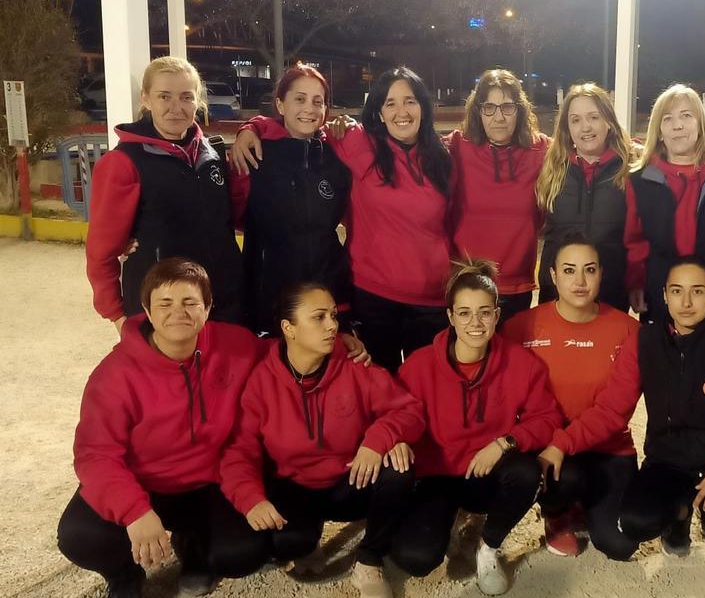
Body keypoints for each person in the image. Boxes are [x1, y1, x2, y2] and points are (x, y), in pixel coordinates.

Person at [550, 256, 705, 598]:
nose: (686, 302)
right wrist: (561, 444)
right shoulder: (644, 342)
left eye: (697, 291)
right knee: (635, 523)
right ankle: (680, 516)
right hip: (670, 458)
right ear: (665, 295)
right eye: (677, 291)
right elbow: (611, 410)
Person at [56, 259, 264, 598]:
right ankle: (123, 575)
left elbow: (287, 354)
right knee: (80, 536)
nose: (178, 313)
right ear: (148, 311)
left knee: (245, 552)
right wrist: (134, 511)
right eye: (165, 304)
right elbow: (95, 456)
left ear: (208, 307)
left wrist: (343, 344)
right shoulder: (115, 375)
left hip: (208, 482)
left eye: (189, 303)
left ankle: (194, 548)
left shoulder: (238, 346)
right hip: (143, 484)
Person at [233, 67, 453, 373]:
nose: (401, 111)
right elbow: (294, 128)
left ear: (423, 107)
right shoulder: (356, 144)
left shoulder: (444, 156)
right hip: (371, 297)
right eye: (390, 103)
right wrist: (252, 127)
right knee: (375, 388)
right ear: (378, 110)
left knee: (428, 387)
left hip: (431, 298)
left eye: (410, 101)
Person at [219, 282, 425, 598]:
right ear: (289, 328)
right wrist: (251, 499)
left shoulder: (355, 365)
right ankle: (307, 538)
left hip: (349, 479)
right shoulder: (260, 381)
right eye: (318, 318)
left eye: (333, 315)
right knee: (285, 543)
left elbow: (409, 410)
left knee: (400, 466)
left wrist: (380, 439)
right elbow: (239, 450)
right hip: (294, 485)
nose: (332, 325)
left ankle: (370, 559)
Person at [391, 260, 562, 595]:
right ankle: (450, 518)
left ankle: (489, 546)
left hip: (488, 469)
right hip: (438, 474)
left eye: (485, 312)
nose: (475, 322)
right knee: (416, 559)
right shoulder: (418, 365)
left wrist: (503, 442)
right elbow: (395, 415)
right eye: (465, 313)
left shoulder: (521, 363)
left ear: (497, 316)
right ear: (451, 317)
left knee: (527, 473)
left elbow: (546, 418)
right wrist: (395, 439)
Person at [501, 232, 639, 559]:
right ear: (551, 274)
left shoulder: (628, 331)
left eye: (589, 270)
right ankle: (556, 512)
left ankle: (586, 501)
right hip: (546, 445)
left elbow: (615, 410)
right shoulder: (522, 326)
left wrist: (564, 443)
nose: (579, 281)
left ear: (602, 273)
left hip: (608, 447)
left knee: (620, 543)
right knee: (565, 480)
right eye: (568, 270)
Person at [86, 56, 244, 331]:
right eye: (164, 97)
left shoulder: (213, 154)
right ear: (146, 100)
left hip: (224, 301)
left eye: (186, 97)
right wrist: (116, 315)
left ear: (198, 102)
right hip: (163, 308)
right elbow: (101, 251)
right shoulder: (124, 162)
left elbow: (235, 219)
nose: (176, 108)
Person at [228, 63, 354, 339]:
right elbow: (231, 217)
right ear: (280, 105)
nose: (309, 109)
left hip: (326, 289)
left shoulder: (336, 158)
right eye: (299, 99)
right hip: (268, 297)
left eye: (317, 102)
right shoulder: (255, 153)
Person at [625, 84, 705, 329]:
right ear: (658, 130)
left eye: (686, 116)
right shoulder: (640, 180)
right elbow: (635, 241)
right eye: (668, 119)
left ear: (700, 125)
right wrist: (636, 284)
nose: (677, 125)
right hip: (661, 298)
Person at [447, 69, 550, 323]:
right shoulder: (458, 146)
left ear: (520, 110)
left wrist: (634, 148)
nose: (499, 117)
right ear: (478, 111)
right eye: (489, 107)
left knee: (512, 360)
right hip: (467, 286)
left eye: (507, 107)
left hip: (517, 286)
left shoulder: (541, 149)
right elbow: (410, 143)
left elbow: (582, 145)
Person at [535, 82, 634, 313]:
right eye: (576, 120)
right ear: (567, 128)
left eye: (593, 117)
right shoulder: (552, 169)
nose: (585, 127)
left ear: (608, 122)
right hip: (557, 297)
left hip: (611, 295)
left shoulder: (631, 170)